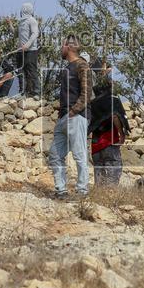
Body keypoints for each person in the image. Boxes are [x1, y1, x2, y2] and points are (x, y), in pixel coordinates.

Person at [48, 35, 91, 199]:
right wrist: (62, 115)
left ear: (69, 47)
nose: (61, 48)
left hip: (76, 116)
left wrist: (74, 111)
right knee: (55, 154)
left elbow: (86, 93)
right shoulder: (67, 67)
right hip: (64, 117)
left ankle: (82, 192)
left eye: (62, 45)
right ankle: (61, 191)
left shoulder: (82, 65)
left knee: (79, 154)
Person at [87, 75, 129, 187]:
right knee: (113, 168)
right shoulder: (112, 99)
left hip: (95, 145)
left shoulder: (92, 104)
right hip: (109, 142)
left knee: (99, 172)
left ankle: (99, 194)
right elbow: (115, 116)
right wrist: (121, 133)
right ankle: (110, 194)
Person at [16, 2, 40, 97]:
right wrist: (9, 24)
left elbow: (35, 33)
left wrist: (27, 45)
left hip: (31, 50)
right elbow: (16, 33)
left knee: (32, 71)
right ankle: (22, 92)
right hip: (20, 51)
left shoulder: (32, 20)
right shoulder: (20, 22)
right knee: (21, 71)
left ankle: (36, 92)